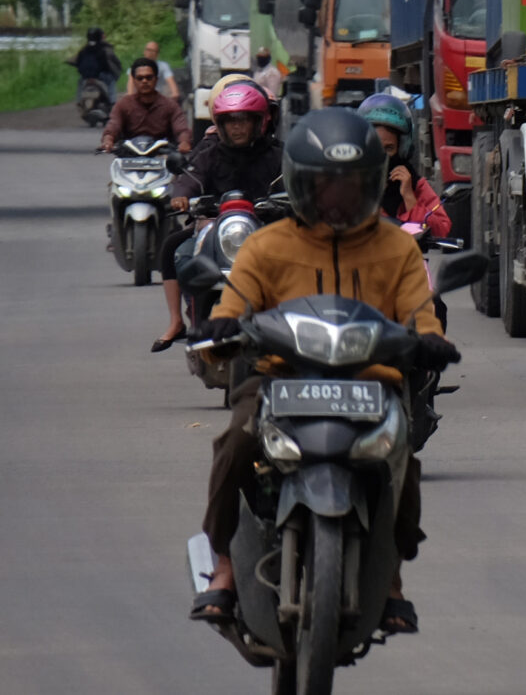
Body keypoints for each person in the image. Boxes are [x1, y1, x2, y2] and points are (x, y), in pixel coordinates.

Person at [191, 107, 459, 635]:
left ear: (372, 185)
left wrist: (430, 341)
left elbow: (419, 310)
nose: (337, 198)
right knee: (235, 446)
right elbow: (233, 304)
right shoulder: (266, 245)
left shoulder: (397, 247)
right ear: (299, 185)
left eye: (352, 185)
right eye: (324, 185)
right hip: (278, 379)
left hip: (369, 382)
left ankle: (392, 579)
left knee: (400, 458)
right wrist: (222, 330)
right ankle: (223, 564)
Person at [152, 80, 282, 352]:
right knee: (184, 255)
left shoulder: (278, 156)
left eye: (243, 121)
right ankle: (196, 322)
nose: (237, 127)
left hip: (267, 231)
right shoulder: (209, 155)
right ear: (220, 124)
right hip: (219, 231)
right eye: (231, 121)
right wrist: (181, 195)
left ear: (258, 122)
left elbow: (297, 183)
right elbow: (190, 178)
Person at [356, 92, 451, 240]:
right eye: (376, 147)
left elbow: (442, 229)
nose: (383, 157)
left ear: (401, 148)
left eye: (389, 148)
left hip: (405, 260)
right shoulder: (350, 184)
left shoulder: (413, 184)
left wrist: (409, 197)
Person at [101, 56, 185, 154]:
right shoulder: (123, 105)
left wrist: (184, 142)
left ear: (156, 79)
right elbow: (113, 125)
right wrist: (108, 140)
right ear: (134, 80)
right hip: (128, 158)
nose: (144, 81)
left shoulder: (170, 106)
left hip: (161, 157)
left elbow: (181, 128)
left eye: (149, 77)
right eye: (140, 78)